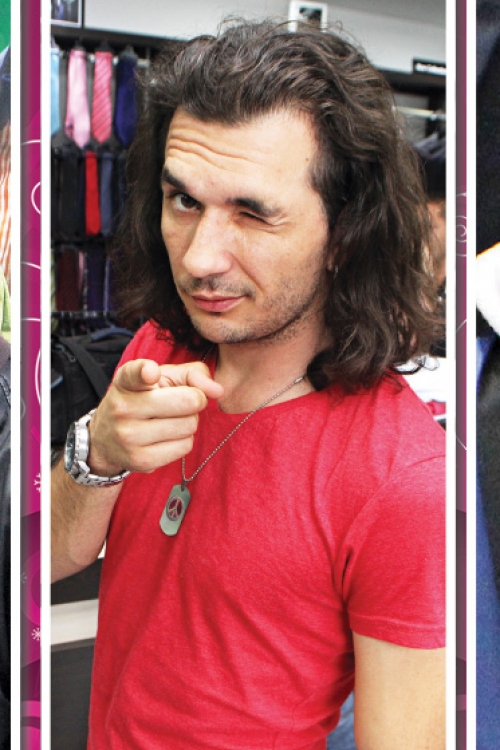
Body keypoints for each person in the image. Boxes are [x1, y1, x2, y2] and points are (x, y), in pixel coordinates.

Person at [51, 20, 446, 750]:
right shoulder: (159, 350)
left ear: (346, 233)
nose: (200, 258)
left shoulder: (403, 477)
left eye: (253, 214)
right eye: (184, 201)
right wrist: (95, 453)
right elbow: (44, 560)